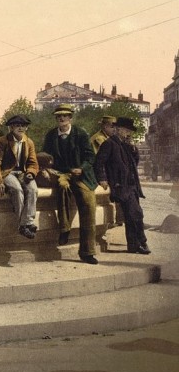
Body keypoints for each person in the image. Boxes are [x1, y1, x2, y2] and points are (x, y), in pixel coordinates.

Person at [42, 104, 99, 264]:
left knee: (88, 204)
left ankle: (87, 252)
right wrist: (46, 167)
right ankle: (65, 229)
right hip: (62, 174)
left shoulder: (80, 133)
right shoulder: (51, 135)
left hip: (82, 175)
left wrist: (81, 168)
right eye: (59, 116)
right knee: (62, 185)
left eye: (65, 116)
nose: (61, 118)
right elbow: (45, 155)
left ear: (70, 118)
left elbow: (90, 157)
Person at [94, 116, 150, 254]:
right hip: (121, 186)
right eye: (127, 130)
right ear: (118, 129)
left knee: (132, 216)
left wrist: (134, 149)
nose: (129, 133)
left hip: (132, 186)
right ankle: (141, 243)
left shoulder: (125, 145)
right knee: (136, 214)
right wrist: (102, 179)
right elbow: (98, 163)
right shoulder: (109, 144)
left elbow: (134, 163)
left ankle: (133, 245)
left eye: (129, 131)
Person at [0, 115, 39, 239]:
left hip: (22, 173)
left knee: (33, 189)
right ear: (11, 127)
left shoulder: (29, 142)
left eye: (23, 126)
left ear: (26, 128)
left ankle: (26, 223)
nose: (20, 128)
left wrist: (30, 173)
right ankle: (24, 225)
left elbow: (33, 163)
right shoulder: (3, 141)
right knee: (17, 190)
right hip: (7, 173)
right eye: (17, 125)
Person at [91, 115, 124, 227]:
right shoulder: (99, 139)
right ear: (105, 127)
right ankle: (114, 220)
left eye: (115, 127)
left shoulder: (108, 138)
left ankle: (119, 219)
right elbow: (99, 161)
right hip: (97, 172)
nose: (114, 129)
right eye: (112, 127)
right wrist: (103, 178)